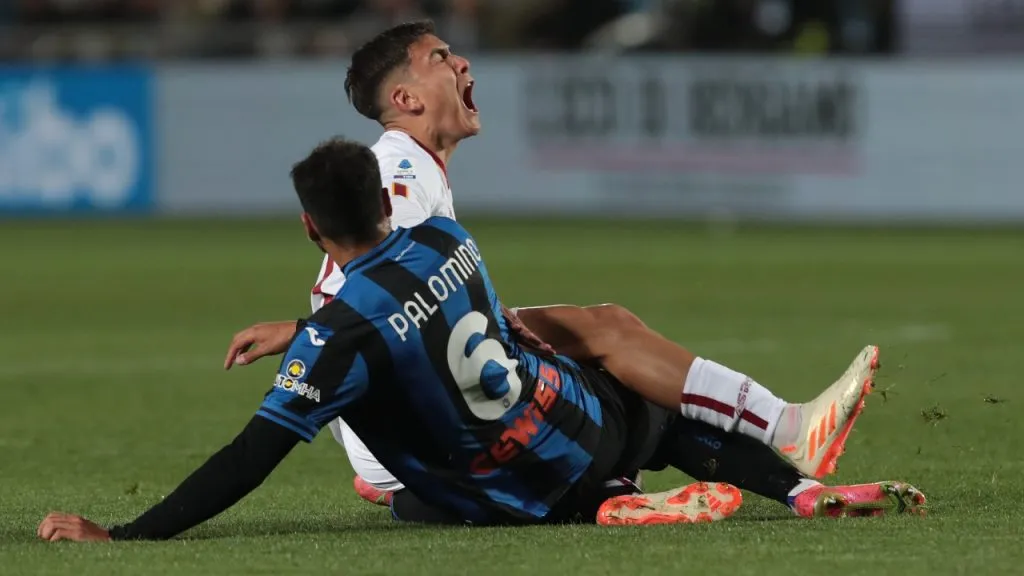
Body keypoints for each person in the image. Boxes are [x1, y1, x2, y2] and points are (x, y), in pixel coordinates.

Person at [38, 138, 925, 542]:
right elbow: (445, 320)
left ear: (310, 230)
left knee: (409, 502)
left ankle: (611, 508)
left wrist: (127, 534)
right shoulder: (446, 242)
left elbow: (248, 458)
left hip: (521, 491)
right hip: (586, 420)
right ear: (389, 204)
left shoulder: (337, 340)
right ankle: (798, 492)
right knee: (661, 421)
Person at [221, 21, 925, 520]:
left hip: (404, 422)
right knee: (609, 342)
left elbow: (383, 287)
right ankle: (782, 431)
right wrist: (308, 330)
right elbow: (381, 285)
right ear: (405, 99)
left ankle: (709, 487)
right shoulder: (399, 167)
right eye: (440, 58)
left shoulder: (409, 165)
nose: (463, 65)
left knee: (596, 345)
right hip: (418, 420)